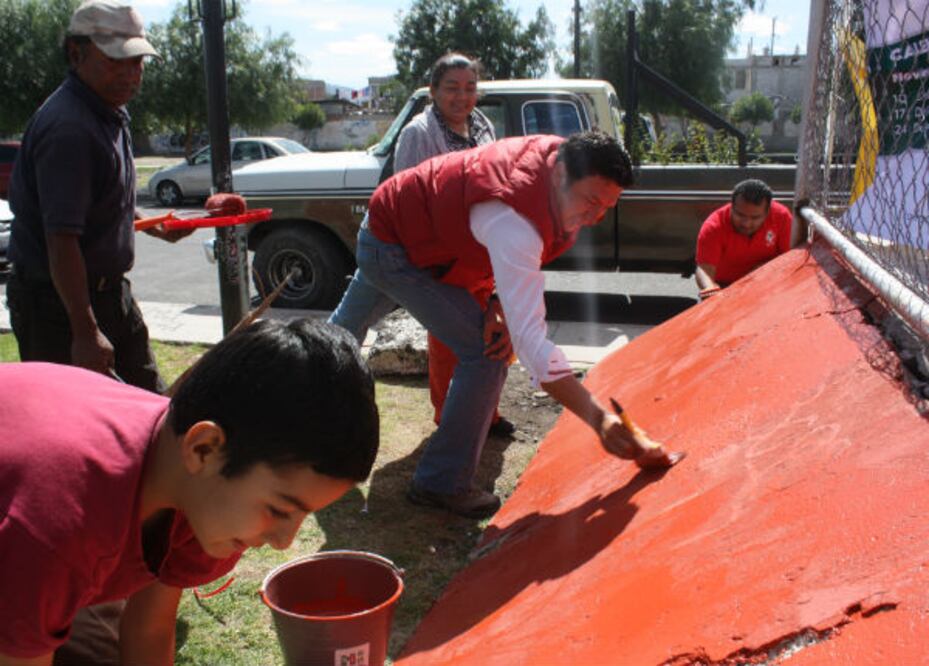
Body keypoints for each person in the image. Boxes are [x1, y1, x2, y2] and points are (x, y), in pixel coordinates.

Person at [329, 130, 674, 519]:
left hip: (403, 222)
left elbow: (505, 256)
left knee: (337, 336)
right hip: (396, 245)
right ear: (560, 173)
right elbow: (530, 341)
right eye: (591, 201)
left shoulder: (560, 164)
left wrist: (498, 302)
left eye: (606, 207)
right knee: (488, 353)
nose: (594, 218)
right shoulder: (515, 217)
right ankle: (439, 483)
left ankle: (298, 413)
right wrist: (601, 420)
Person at [0, 318, 380, 665]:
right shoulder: (61, 525)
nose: (284, 541)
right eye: (280, 510)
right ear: (204, 447)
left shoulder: (193, 485)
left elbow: (149, 629)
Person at [6, 0, 191, 394]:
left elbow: (102, 204)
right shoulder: (69, 128)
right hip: (57, 307)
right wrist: (85, 332)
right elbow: (62, 239)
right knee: (75, 421)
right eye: (116, 61)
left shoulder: (108, 112)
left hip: (109, 295)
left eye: (137, 62)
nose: (130, 74)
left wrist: (157, 225)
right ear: (77, 53)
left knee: (148, 407)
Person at [393, 52, 514, 436]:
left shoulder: (482, 126)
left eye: (470, 88)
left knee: (495, 334)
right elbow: (406, 197)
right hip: (442, 255)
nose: (462, 97)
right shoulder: (419, 132)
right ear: (433, 91)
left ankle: (486, 415)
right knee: (449, 344)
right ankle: (451, 421)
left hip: (481, 249)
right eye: (452, 88)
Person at [694, 179, 794, 300]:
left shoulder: (781, 217)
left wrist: (768, 268)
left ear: (768, 211)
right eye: (740, 215)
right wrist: (711, 291)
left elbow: (791, 259)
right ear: (731, 206)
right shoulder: (714, 226)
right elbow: (704, 270)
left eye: (755, 217)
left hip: (767, 284)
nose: (746, 223)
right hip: (724, 287)